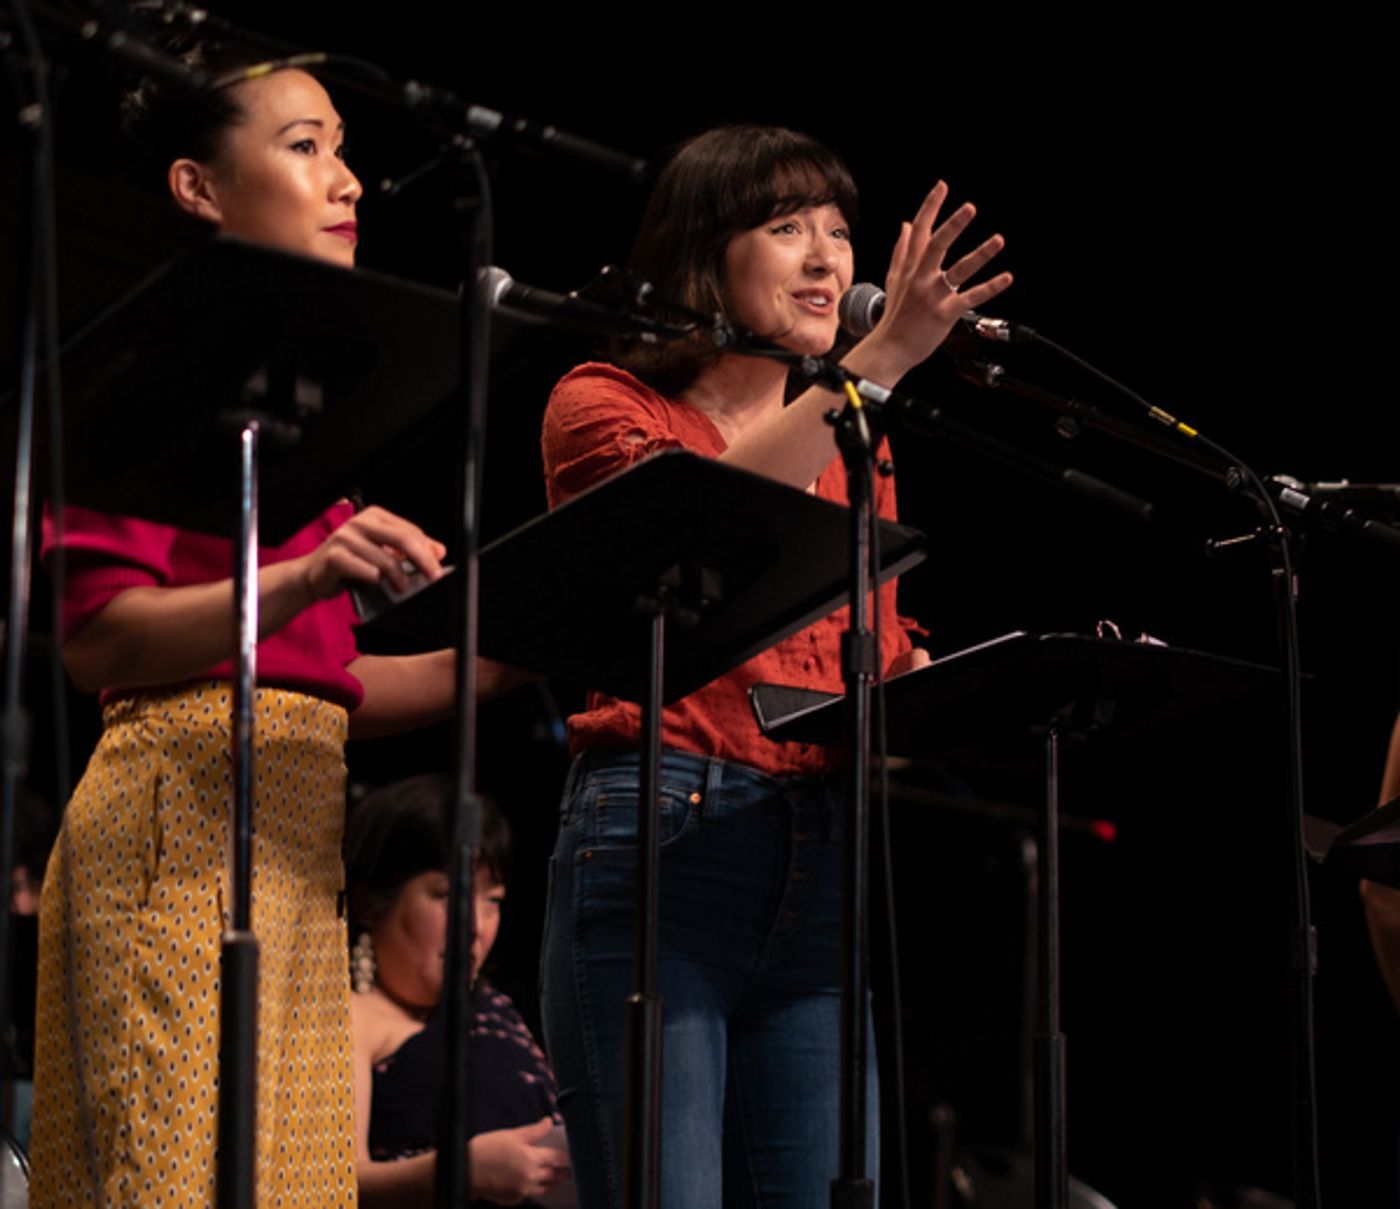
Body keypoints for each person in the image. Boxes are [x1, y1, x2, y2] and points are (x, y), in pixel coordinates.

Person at [29, 54, 508, 1207]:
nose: (345, 181)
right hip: (179, 840)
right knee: (176, 1179)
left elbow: (328, 683)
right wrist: (295, 579)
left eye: (341, 148)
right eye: (304, 147)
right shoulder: (144, 377)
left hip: (295, 858)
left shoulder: (294, 406)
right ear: (198, 187)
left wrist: (521, 644)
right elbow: (100, 643)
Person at [538, 125, 1012, 1208]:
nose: (825, 259)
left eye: (840, 233)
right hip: (658, 835)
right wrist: (879, 360)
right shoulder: (604, 403)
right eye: (785, 225)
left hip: (815, 852)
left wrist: (939, 685)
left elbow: (866, 654)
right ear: (705, 253)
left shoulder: (859, 440)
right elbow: (701, 523)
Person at [345, 774, 570, 1206]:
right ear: (370, 900)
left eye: (494, 900)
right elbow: (336, 1180)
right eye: (447, 895)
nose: (476, 926)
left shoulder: (496, 1012)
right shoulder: (356, 1018)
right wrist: (458, 1171)